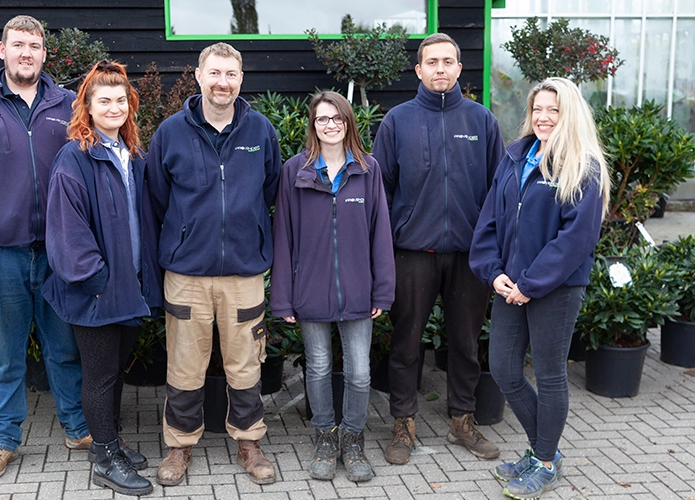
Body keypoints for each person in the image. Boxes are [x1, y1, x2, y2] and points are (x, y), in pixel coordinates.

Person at [0, 15, 90, 482]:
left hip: (57, 254)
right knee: (5, 353)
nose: (27, 52)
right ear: (2, 50)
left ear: (46, 54)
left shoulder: (68, 104)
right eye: (18, 44)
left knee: (63, 348)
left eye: (35, 45)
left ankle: (77, 426)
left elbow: (89, 168)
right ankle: (2, 439)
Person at [145, 42, 281, 486]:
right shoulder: (170, 132)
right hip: (186, 274)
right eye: (215, 73)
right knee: (184, 366)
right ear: (199, 76)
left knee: (246, 364)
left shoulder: (261, 131)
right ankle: (179, 447)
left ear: (241, 79)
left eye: (232, 74)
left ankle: (249, 441)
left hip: (244, 273)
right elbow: (158, 200)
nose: (223, 82)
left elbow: (271, 191)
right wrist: (187, 236)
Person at [469, 77, 610, 499]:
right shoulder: (517, 157)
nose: (543, 117)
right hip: (509, 284)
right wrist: (492, 272)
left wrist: (531, 284)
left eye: (554, 110)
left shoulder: (584, 167)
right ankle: (543, 449)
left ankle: (544, 460)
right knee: (506, 369)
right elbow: (490, 220)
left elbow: (575, 240)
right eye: (537, 110)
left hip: (556, 288)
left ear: (570, 115)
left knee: (550, 376)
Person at [371, 32, 505, 465]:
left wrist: (492, 247)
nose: (441, 69)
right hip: (412, 254)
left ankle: (463, 421)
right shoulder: (397, 121)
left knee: (466, 343)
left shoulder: (482, 121)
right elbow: (380, 191)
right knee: (406, 344)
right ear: (419, 69)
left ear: (460, 69)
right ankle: (403, 424)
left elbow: (497, 191)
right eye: (432, 62)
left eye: (448, 62)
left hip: (470, 256)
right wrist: (389, 242)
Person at [41, 60, 163, 496]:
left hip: (129, 288)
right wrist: (97, 279)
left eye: (120, 101)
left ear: (129, 106)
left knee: (114, 370)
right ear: (87, 108)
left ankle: (110, 444)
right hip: (95, 291)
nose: (114, 108)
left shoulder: (132, 155)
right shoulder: (74, 158)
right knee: (99, 375)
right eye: (104, 101)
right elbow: (66, 233)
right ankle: (105, 459)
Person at [270, 91, 395, 482]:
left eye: (337, 119)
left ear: (348, 123)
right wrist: (283, 296)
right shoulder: (295, 171)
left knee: (359, 372)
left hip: (359, 290)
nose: (330, 125)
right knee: (319, 368)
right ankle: (326, 436)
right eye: (322, 119)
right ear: (313, 125)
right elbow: (283, 236)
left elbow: (381, 234)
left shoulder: (367, 169)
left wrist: (382, 290)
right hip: (309, 290)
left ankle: (353, 440)